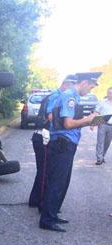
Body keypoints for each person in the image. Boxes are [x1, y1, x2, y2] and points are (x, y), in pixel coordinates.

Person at [39, 72, 101, 232]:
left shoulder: (74, 96)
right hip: (62, 143)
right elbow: (67, 124)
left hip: (66, 143)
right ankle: (47, 220)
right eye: (92, 86)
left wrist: (93, 121)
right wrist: (88, 120)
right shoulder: (69, 96)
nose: (91, 90)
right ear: (85, 82)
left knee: (63, 182)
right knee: (57, 182)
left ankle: (52, 215)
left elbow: (72, 122)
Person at [28, 75, 77, 210]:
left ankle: (36, 200)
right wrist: (70, 122)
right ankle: (42, 204)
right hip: (44, 137)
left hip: (42, 136)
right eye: (74, 85)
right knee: (46, 172)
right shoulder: (57, 96)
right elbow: (51, 117)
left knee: (44, 171)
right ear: (67, 84)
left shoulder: (57, 94)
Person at [94, 87, 112, 165]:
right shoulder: (102, 102)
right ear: (107, 93)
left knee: (107, 142)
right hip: (102, 124)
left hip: (111, 126)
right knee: (100, 142)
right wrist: (93, 124)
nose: (110, 95)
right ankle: (99, 158)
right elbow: (97, 112)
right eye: (109, 93)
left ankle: (102, 156)